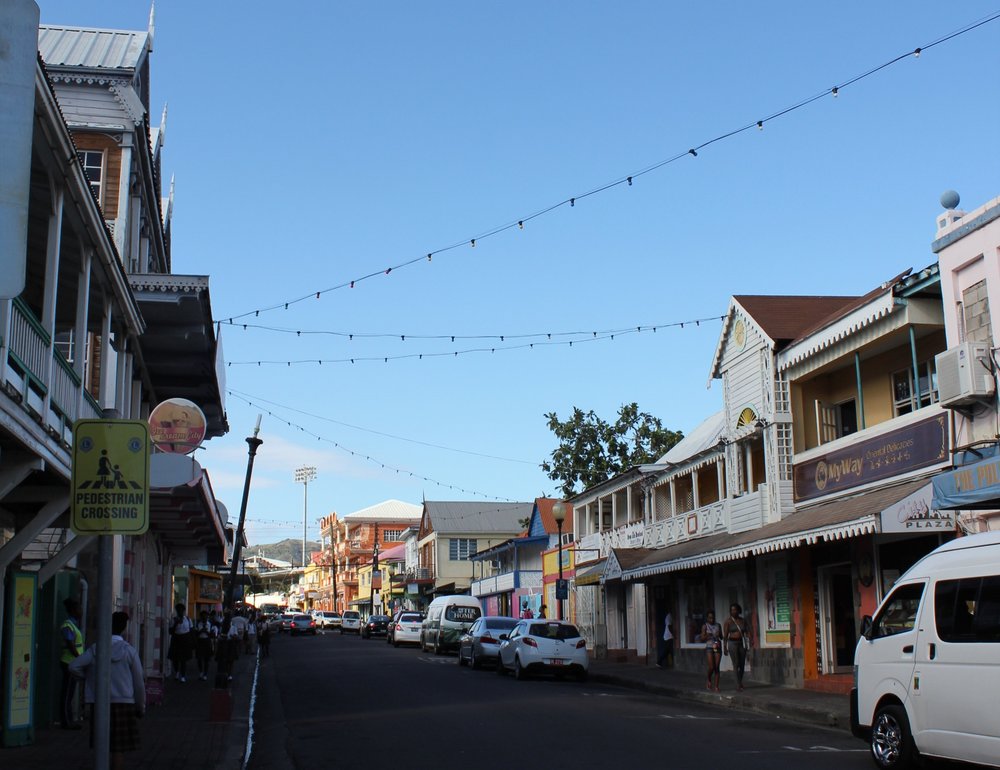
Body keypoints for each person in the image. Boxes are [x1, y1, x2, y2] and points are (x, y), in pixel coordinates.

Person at [69, 611, 145, 770]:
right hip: (124, 702)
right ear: (124, 629)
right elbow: (139, 682)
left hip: (100, 701)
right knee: (119, 748)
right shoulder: (129, 651)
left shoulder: (96, 649)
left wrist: (88, 678)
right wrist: (140, 705)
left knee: (102, 743)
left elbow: (73, 666)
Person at [59, 598, 85, 729]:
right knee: (67, 692)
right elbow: (71, 645)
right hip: (69, 662)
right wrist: (80, 658)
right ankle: (66, 721)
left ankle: (69, 720)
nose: (81, 611)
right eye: (79, 608)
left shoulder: (73, 624)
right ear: (74, 610)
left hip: (73, 663)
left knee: (70, 692)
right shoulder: (67, 625)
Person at [723, 603, 749, 691]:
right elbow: (725, 635)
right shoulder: (728, 621)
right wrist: (724, 647)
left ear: (739, 610)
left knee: (742, 665)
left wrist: (749, 641)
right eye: (732, 610)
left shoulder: (743, 620)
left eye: (735, 609)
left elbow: (747, 631)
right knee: (736, 664)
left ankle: (740, 681)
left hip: (742, 643)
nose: (734, 611)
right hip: (732, 643)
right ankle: (738, 685)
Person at [167, 603, 193, 682]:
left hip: (185, 640)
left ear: (184, 611)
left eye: (182, 610)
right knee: (175, 658)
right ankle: (177, 672)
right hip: (176, 639)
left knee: (183, 659)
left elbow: (191, 630)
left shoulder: (188, 619)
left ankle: (183, 675)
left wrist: (191, 641)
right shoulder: (174, 620)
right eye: (179, 611)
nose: (180, 612)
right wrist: (176, 623)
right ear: (177, 611)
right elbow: (170, 632)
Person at [700, 610, 723, 692]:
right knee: (711, 667)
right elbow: (702, 638)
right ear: (707, 618)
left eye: (713, 618)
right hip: (709, 647)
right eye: (710, 618)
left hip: (717, 646)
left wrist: (719, 634)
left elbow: (722, 637)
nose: (712, 620)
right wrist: (707, 635)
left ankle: (716, 686)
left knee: (717, 667)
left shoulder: (718, 625)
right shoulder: (705, 626)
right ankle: (709, 679)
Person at [194, 610, 217, 681]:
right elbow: (195, 634)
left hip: (207, 641)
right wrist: (201, 631)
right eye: (203, 616)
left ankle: (205, 674)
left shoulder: (210, 624)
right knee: (199, 658)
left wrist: (206, 631)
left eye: (206, 616)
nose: (205, 617)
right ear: (201, 617)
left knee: (207, 659)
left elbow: (213, 635)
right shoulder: (198, 624)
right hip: (200, 641)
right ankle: (201, 672)